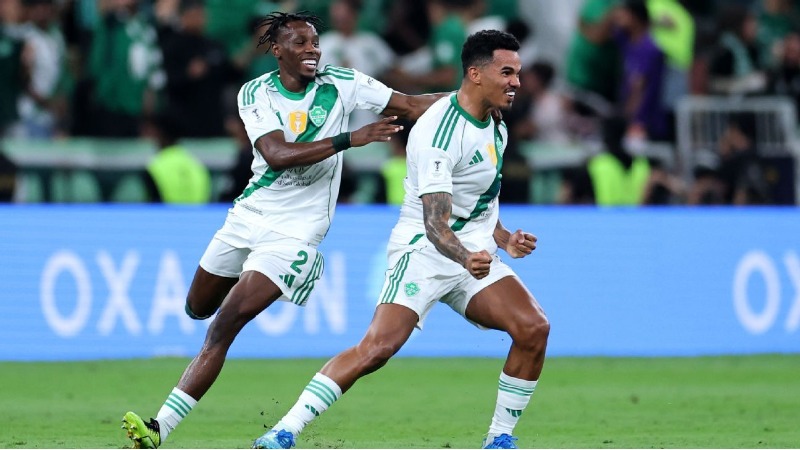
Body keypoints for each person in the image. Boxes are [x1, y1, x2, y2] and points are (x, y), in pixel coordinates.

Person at [121, 11, 451, 449]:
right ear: (277, 50)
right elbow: (276, 154)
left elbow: (410, 105)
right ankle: (255, 280)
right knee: (197, 307)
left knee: (223, 326)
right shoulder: (255, 92)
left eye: (315, 43)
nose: (312, 50)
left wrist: (471, 98)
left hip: (295, 234)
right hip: (248, 216)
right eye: (300, 43)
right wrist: (349, 139)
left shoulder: (343, 83)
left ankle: (158, 428)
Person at [256, 30, 547, 450]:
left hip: (472, 253)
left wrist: (503, 237)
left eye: (517, 73)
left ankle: (499, 439)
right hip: (424, 252)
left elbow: (479, 199)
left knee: (533, 328)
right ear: (475, 73)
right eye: (507, 72)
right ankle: (283, 430)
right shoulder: (439, 133)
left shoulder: (496, 124)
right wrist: (466, 257)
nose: (516, 82)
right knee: (377, 348)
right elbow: (435, 224)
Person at [160, 0, 234, 137]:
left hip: (213, 120)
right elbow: (166, 82)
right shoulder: (172, 45)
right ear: (182, 16)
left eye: (201, 14)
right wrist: (188, 74)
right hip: (182, 122)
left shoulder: (214, 45)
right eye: (193, 14)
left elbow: (229, 76)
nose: (198, 18)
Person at [614, 0, 667, 141]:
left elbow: (640, 87)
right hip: (631, 118)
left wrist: (628, 120)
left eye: (624, 14)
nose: (619, 17)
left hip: (644, 123)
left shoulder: (649, 48)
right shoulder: (627, 41)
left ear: (635, 17)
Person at [144, 114, 212, 205]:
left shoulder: (155, 166)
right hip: (198, 214)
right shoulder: (196, 164)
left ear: (159, 134)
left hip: (166, 214)